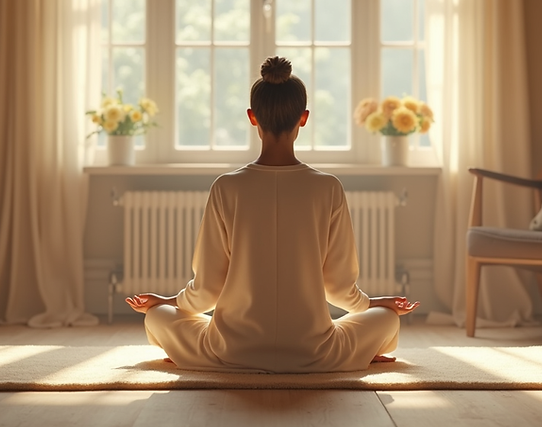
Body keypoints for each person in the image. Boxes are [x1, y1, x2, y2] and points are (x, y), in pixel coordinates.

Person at [126, 56, 419, 373]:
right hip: (315, 352)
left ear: (252, 117)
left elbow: (207, 291)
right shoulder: (328, 188)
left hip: (230, 351)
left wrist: (166, 302)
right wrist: (376, 304)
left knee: (156, 316)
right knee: (388, 319)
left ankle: (187, 351)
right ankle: (364, 352)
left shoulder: (226, 187)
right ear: (303, 118)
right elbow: (338, 290)